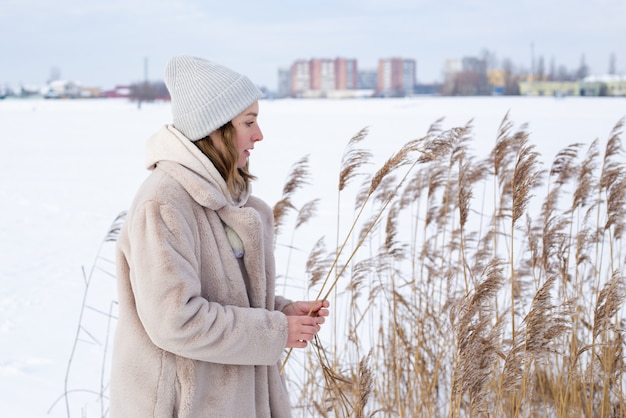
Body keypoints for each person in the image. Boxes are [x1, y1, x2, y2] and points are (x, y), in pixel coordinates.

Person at [110, 55, 329, 417]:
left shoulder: (226, 200)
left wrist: (280, 312)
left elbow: (221, 295)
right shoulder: (164, 203)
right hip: (182, 406)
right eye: (249, 122)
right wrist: (275, 331)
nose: (259, 135)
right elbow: (175, 321)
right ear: (215, 129)